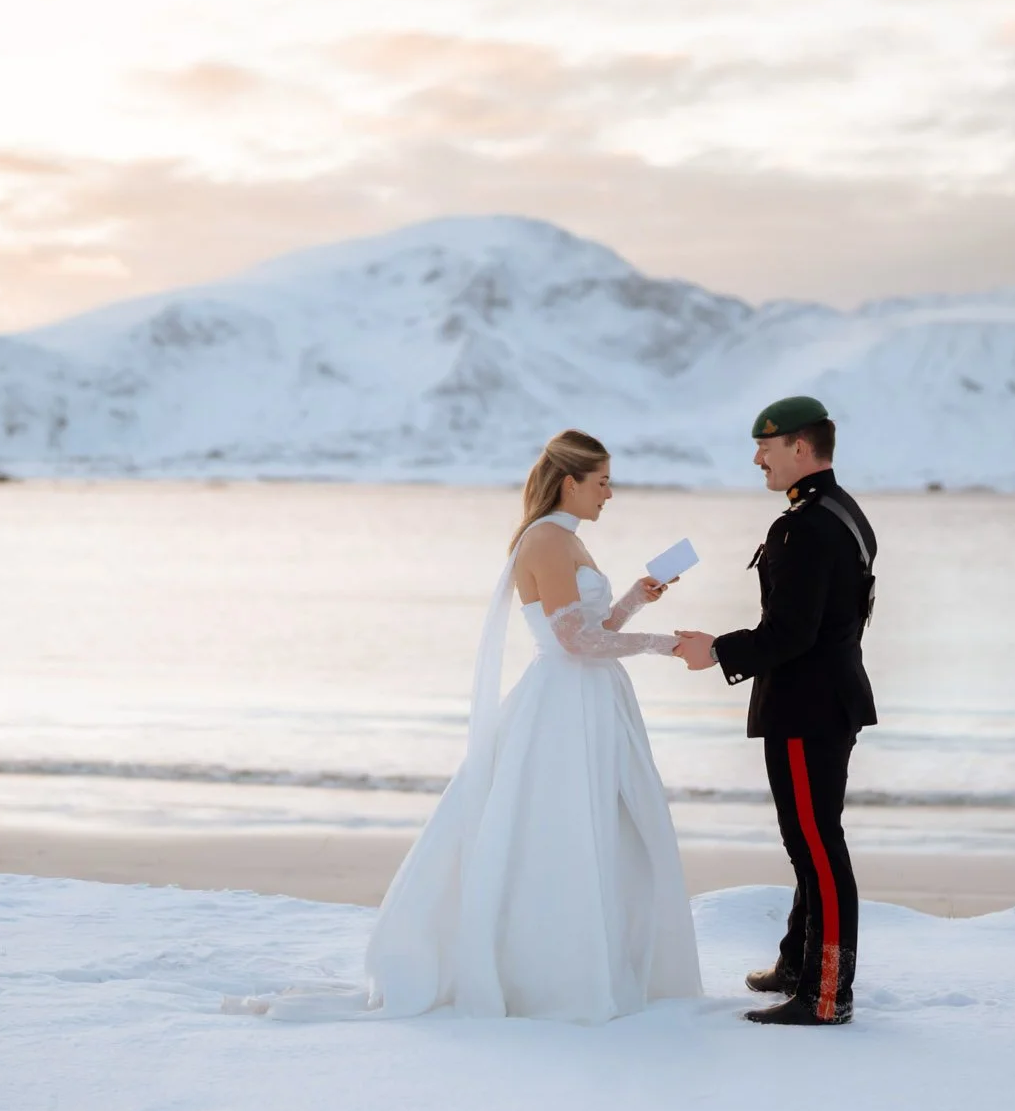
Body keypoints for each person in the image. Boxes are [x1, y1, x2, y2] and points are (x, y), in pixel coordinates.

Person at [365, 429, 703, 1022]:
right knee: (563, 827)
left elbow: (589, 624)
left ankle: (604, 956)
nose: (610, 494)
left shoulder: (565, 539)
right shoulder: (546, 540)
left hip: (592, 695)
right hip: (566, 702)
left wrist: (635, 601)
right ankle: (554, 973)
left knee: (606, 823)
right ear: (570, 483)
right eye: (601, 482)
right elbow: (574, 642)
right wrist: (666, 643)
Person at [674, 397, 876, 1026]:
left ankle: (826, 995)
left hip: (806, 706)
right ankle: (798, 961)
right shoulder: (840, 511)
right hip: (829, 697)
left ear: (800, 448)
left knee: (817, 846)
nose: (757, 457)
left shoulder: (805, 526)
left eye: (767, 446)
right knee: (810, 841)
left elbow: (791, 633)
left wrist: (717, 651)